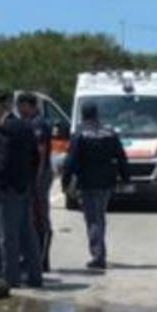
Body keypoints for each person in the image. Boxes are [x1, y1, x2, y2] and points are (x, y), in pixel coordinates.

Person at [0, 92, 43, 289]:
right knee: (27, 234)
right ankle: (35, 276)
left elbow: (2, 163)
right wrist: (28, 181)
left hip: (8, 188)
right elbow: (35, 157)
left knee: (8, 237)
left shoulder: (5, 128)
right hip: (24, 187)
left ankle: (10, 279)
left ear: (1, 107)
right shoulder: (24, 125)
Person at [62, 102, 130, 269]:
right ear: (96, 114)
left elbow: (70, 161)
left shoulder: (80, 134)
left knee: (93, 218)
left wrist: (65, 182)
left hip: (87, 182)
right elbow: (121, 157)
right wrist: (126, 177)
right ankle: (99, 251)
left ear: (83, 115)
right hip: (106, 182)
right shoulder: (110, 132)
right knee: (99, 217)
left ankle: (98, 255)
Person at [17, 92, 54, 272]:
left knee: (40, 219)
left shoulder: (38, 124)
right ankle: (33, 258)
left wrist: (36, 180)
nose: (19, 110)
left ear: (30, 106)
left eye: (21, 106)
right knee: (31, 218)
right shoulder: (27, 123)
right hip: (30, 176)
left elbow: (40, 152)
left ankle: (42, 259)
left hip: (39, 176)